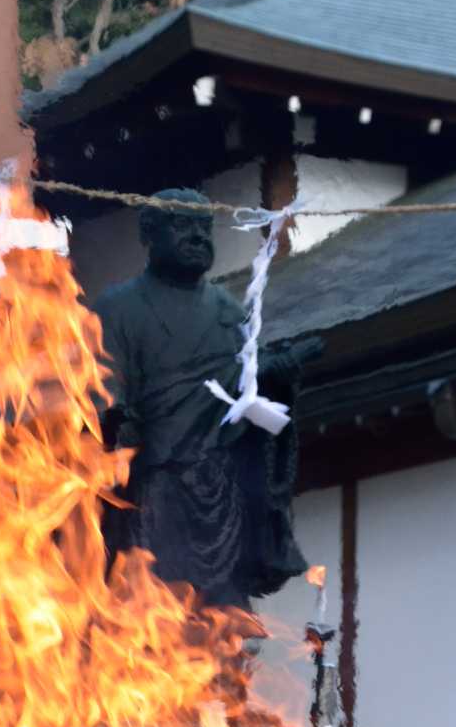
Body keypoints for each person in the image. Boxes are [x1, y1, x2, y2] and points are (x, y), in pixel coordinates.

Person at [93, 187, 311, 610]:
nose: (197, 236)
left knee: (223, 618)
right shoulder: (118, 308)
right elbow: (102, 389)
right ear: (149, 235)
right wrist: (113, 419)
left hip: (221, 484)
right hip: (155, 485)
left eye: (204, 227)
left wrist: (276, 381)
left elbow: (248, 396)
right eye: (181, 225)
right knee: (157, 610)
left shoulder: (228, 311)